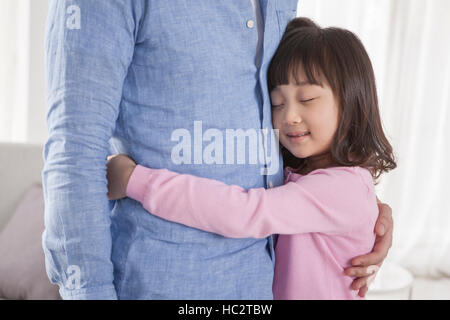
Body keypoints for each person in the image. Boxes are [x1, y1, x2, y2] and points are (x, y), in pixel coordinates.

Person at [43, 0, 393, 300]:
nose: (288, 117)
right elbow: (73, 148)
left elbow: (252, 204)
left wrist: (137, 180)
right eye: (277, 103)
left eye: (306, 99)